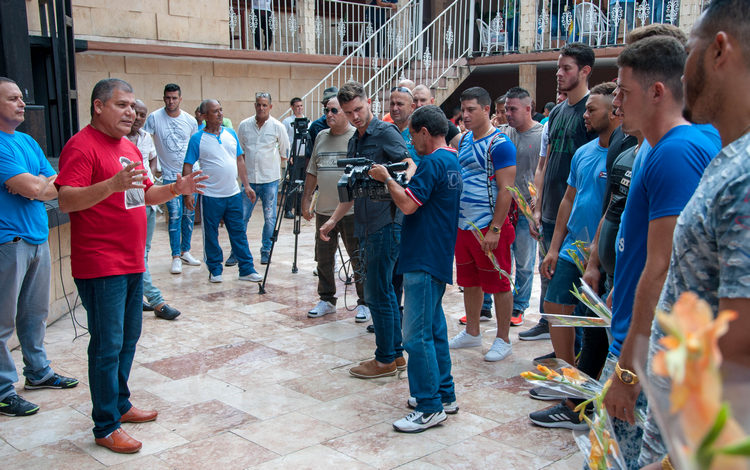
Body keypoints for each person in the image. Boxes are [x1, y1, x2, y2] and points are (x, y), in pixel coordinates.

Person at [56, 78, 207, 454]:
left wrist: (177, 188)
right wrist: (110, 185)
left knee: (127, 339)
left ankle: (120, 404)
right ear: (98, 106)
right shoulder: (81, 145)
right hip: (100, 263)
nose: (131, 112)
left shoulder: (129, 146)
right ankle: (105, 425)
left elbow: (144, 193)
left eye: (132, 106)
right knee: (107, 345)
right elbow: (66, 200)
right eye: (121, 105)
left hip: (130, 261)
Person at [599, 36, 720, 468]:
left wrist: (629, 371)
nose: (616, 102)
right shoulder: (658, 147)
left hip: (650, 356)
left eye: (623, 91)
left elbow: (664, 266)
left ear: (657, 92)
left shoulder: (677, 151)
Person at [638, 2, 750, 467]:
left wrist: (688, 454)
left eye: (691, 50)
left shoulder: (744, 177)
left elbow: (741, 339)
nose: (684, 69)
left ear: (719, 49)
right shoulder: (731, 157)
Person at [529, 82, 618, 430]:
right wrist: (554, 247)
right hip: (571, 247)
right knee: (555, 306)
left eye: (591, 109)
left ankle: (583, 393)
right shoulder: (584, 152)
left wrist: (597, 252)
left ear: (613, 111)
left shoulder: (623, 152)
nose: (585, 115)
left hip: (600, 252)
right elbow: (568, 198)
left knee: (592, 324)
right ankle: (568, 378)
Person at [368, 105, 461, 433]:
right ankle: (445, 395)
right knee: (434, 331)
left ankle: (428, 406)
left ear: (425, 132)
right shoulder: (450, 159)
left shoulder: (434, 161)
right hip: (435, 256)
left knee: (415, 337)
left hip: (423, 258)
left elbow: (407, 204)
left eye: (413, 136)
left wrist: (387, 178)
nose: (411, 143)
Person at [319, 81, 415, 378]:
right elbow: (351, 191)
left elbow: (409, 163)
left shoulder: (385, 133)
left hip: (386, 223)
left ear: (368, 102)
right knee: (382, 291)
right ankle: (395, 355)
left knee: (377, 293)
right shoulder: (354, 141)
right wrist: (333, 220)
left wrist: (397, 180)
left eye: (358, 109)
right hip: (364, 223)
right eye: (349, 112)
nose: (355, 116)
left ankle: (385, 358)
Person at [0, 77, 78, 418]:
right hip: (8, 242)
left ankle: (38, 372)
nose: (22, 103)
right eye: (13, 98)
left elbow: (56, 185)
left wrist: (35, 185)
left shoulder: (28, 142)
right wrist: (35, 185)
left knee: (34, 316)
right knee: (3, 323)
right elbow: (37, 185)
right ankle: (3, 390)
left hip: (36, 239)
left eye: (22, 96)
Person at [522, 43, 596, 343]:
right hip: (551, 211)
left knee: (574, 292)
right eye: (558, 67)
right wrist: (536, 207)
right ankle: (556, 341)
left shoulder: (593, 111)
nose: (559, 73)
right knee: (550, 278)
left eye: (566, 68)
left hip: (578, 217)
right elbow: (545, 162)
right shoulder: (557, 113)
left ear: (585, 71)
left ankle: (577, 353)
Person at [448, 86, 517, 362]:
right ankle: (473, 332)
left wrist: (496, 229)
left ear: (486, 110)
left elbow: (506, 190)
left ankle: (503, 338)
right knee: (470, 281)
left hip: (489, 226)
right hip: (464, 225)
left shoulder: (500, 144)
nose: (465, 115)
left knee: (499, 283)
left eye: (471, 110)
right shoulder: (463, 141)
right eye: (463, 110)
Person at [300, 96, 369, 322]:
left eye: (334, 110)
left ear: (346, 113)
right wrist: (306, 198)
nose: (329, 114)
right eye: (326, 110)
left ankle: (364, 302)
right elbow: (312, 170)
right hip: (324, 210)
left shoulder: (356, 137)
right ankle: (327, 299)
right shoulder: (320, 136)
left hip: (351, 212)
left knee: (357, 258)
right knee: (324, 258)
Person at [184, 100, 262, 284]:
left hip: (233, 194)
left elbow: (240, 160)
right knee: (211, 234)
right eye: (214, 112)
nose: (219, 114)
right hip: (210, 196)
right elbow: (187, 166)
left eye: (220, 110)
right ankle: (215, 269)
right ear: (204, 116)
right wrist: (188, 193)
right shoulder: (197, 139)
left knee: (238, 232)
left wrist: (247, 185)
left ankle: (246, 269)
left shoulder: (230, 134)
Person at [126, 99, 180, 320]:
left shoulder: (146, 138)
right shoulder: (118, 140)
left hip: (147, 199)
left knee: (144, 252)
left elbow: (151, 163)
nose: (138, 118)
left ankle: (138, 297)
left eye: (142, 114)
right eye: (135, 113)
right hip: (129, 203)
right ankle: (156, 300)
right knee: (138, 254)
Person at [498, 87, 544, 326]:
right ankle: (490, 304)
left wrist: (536, 209)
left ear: (528, 109)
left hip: (527, 210)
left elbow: (542, 172)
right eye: (506, 109)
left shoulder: (541, 135)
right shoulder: (504, 133)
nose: (508, 114)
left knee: (525, 262)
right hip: (504, 208)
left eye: (513, 109)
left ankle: (519, 306)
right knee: (500, 259)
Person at [143, 83, 200, 275]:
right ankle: (175, 256)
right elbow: (144, 139)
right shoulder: (154, 118)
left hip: (189, 175)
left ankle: (186, 251)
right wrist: (152, 167)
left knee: (188, 215)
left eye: (174, 98)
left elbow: (194, 147)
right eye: (167, 97)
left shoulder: (190, 121)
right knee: (174, 216)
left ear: (180, 99)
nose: (171, 101)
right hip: (169, 176)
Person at [235, 92, 290, 265]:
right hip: (249, 180)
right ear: (255, 105)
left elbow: (285, 153)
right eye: (258, 104)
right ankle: (237, 251)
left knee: (270, 217)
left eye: (264, 105)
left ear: (270, 107)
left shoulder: (277, 127)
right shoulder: (244, 126)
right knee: (242, 217)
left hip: (270, 181)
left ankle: (266, 250)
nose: (261, 108)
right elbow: (240, 154)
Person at [281, 97, 307, 220]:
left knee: (302, 183)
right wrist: (288, 155)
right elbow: (284, 140)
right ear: (292, 107)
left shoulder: (307, 120)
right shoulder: (287, 121)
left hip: (303, 154)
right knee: (292, 183)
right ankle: (288, 209)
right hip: (293, 155)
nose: (299, 108)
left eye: (301, 106)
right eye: (297, 106)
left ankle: (299, 208)